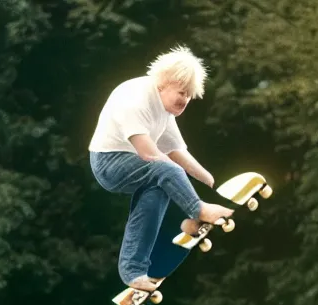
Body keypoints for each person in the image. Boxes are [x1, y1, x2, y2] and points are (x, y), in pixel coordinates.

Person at [89, 45, 233, 292]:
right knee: (167, 172)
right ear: (164, 84)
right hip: (108, 163)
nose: (185, 100)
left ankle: (133, 271)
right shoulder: (136, 99)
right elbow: (148, 152)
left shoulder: (164, 111)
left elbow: (179, 153)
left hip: (137, 165)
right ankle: (197, 212)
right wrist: (200, 205)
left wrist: (212, 181)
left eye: (189, 95)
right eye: (182, 92)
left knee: (159, 191)